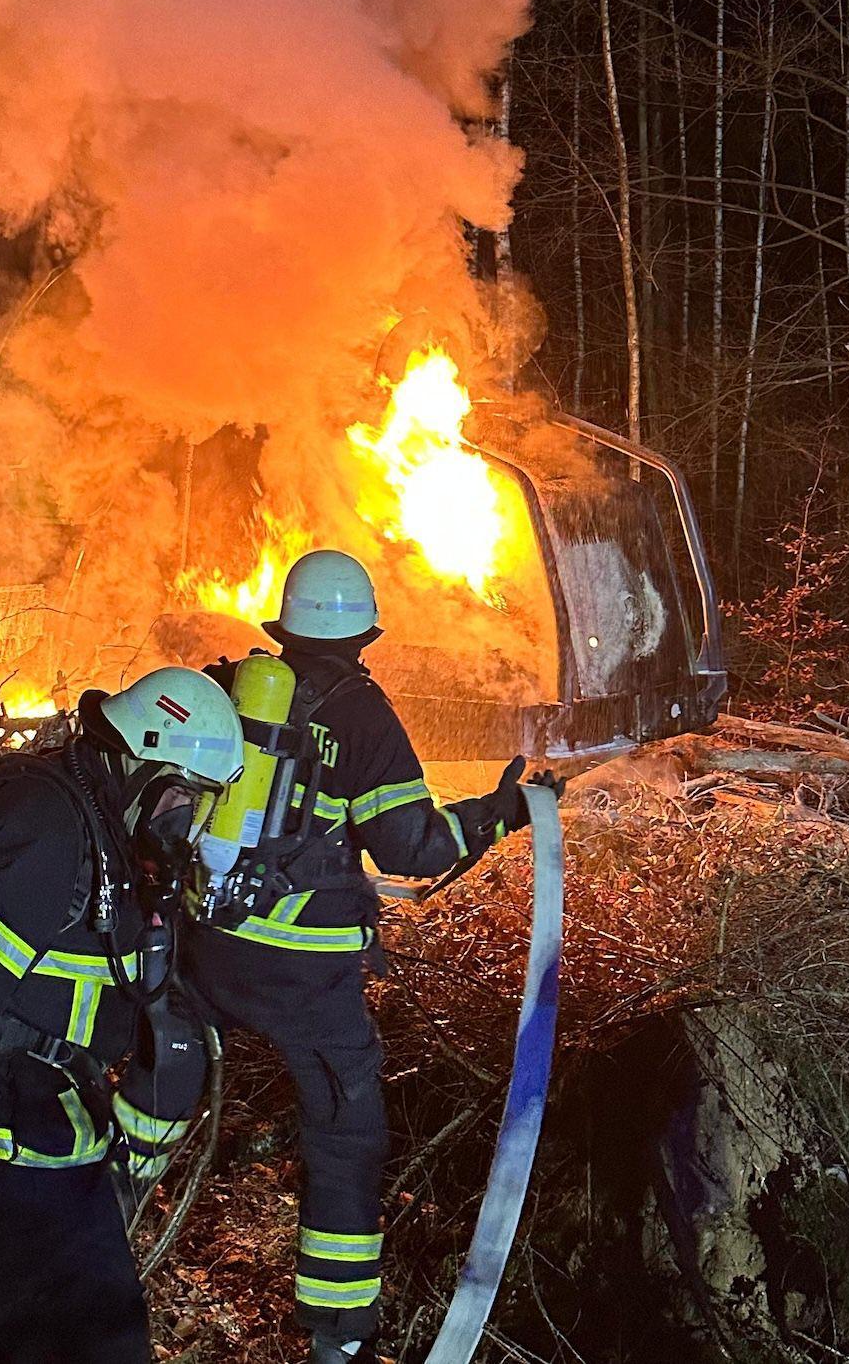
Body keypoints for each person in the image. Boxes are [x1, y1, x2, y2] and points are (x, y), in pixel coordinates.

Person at [118, 550, 562, 1363]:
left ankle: (101, 1213)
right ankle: (338, 1336)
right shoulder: (362, 716)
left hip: (206, 945)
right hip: (306, 974)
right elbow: (411, 847)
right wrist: (499, 815)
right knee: (345, 1134)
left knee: (159, 1076)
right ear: (363, 635)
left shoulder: (227, 688)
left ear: (283, 630)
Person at [0, 666, 246, 1364]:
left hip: (48, 1152)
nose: (184, 820)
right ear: (135, 760)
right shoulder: (45, 827)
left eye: (201, 802)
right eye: (180, 795)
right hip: (12, 1161)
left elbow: (161, 1020)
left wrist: (125, 1176)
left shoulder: (116, 839)